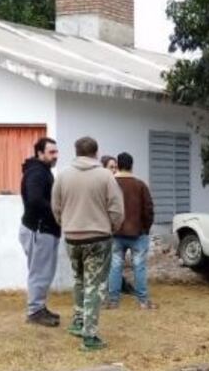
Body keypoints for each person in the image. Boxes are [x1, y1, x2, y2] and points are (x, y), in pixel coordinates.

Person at [52, 137, 125, 351]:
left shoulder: (63, 175)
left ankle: (78, 321)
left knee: (79, 280)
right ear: (96, 152)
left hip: (72, 236)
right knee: (94, 285)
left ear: (76, 151)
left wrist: (66, 224)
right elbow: (116, 208)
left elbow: (56, 207)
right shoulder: (105, 176)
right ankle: (89, 336)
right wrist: (112, 227)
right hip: (98, 237)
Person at [19, 137, 61, 327]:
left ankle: (39, 307)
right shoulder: (37, 173)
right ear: (40, 153)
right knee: (40, 272)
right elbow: (35, 200)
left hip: (43, 229)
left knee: (44, 271)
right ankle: (35, 311)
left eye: (56, 152)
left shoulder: (42, 171)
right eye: (51, 152)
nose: (55, 156)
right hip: (39, 229)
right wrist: (57, 211)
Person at [106, 152, 156, 310]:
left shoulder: (110, 184)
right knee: (139, 267)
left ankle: (113, 301)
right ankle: (143, 301)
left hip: (115, 234)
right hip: (138, 233)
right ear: (131, 166)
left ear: (118, 165)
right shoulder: (140, 185)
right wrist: (146, 228)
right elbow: (149, 209)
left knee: (115, 266)